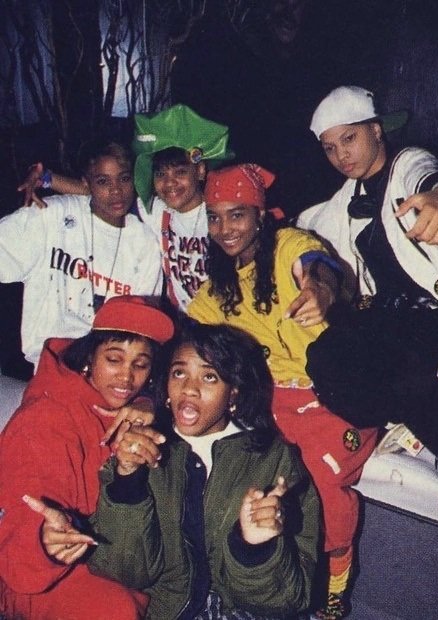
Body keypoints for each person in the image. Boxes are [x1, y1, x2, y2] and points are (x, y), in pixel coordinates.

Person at [186, 163, 377, 620]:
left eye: (236, 214)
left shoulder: (289, 244)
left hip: (335, 395)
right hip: (271, 403)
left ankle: (335, 583)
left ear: (259, 215)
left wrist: (320, 289)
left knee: (320, 482)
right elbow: (186, 337)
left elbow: (318, 266)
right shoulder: (217, 288)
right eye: (214, 217)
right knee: (245, 475)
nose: (225, 228)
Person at [37, 322, 320, 619]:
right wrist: (128, 480)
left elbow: (291, 600)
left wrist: (254, 549)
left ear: (233, 393)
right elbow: (127, 575)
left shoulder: (275, 460)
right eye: (179, 373)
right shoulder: (138, 449)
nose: (190, 388)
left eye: (209, 377)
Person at [298, 86, 438, 491]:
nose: (341, 155)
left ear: (376, 130)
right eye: (330, 148)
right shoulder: (346, 199)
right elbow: (309, 236)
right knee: (327, 360)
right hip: (393, 320)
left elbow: (433, 177)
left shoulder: (408, 163)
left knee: (428, 373)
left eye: (349, 138)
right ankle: (417, 417)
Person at [0, 295, 175, 619]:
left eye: (140, 364)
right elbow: (23, 523)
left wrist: (150, 401)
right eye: (114, 359)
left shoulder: (134, 409)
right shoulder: (47, 418)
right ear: (89, 357)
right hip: (43, 578)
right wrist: (44, 544)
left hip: (119, 563)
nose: (126, 377)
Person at [18, 104, 234, 314]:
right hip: (185, 321)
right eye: (160, 174)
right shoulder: (157, 212)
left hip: (226, 317)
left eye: (180, 172)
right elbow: (99, 193)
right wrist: (46, 178)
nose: (170, 183)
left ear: (200, 170)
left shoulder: (218, 213)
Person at [0, 138, 162, 369]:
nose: (116, 190)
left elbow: (141, 328)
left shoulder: (145, 242)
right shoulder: (53, 215)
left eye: (124, 178)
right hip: (50, 363)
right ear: (86, 183)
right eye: (103, 181)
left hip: (110, 370)